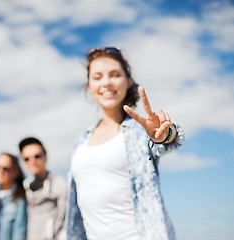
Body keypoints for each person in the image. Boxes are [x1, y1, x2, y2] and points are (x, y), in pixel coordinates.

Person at [67, 47, 185, 240]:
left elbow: (167, 140)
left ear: (128, 81)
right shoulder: (81, 141)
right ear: (89, 85)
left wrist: (165, 133)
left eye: (115, 75)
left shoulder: (139, 130)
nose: (106, 83)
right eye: (97, 77)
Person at [19, 137, 67, 240]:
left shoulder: (60, 184)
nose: (32, 161)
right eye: (27, 158)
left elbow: (66, 219)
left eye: (37, 156)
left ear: (45, 156)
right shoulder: (24, 186)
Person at [0, 153, 28, 240]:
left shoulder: (19, 202)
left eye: (5, 169)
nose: (0, 171)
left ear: (15, 172)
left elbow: (19, 235)